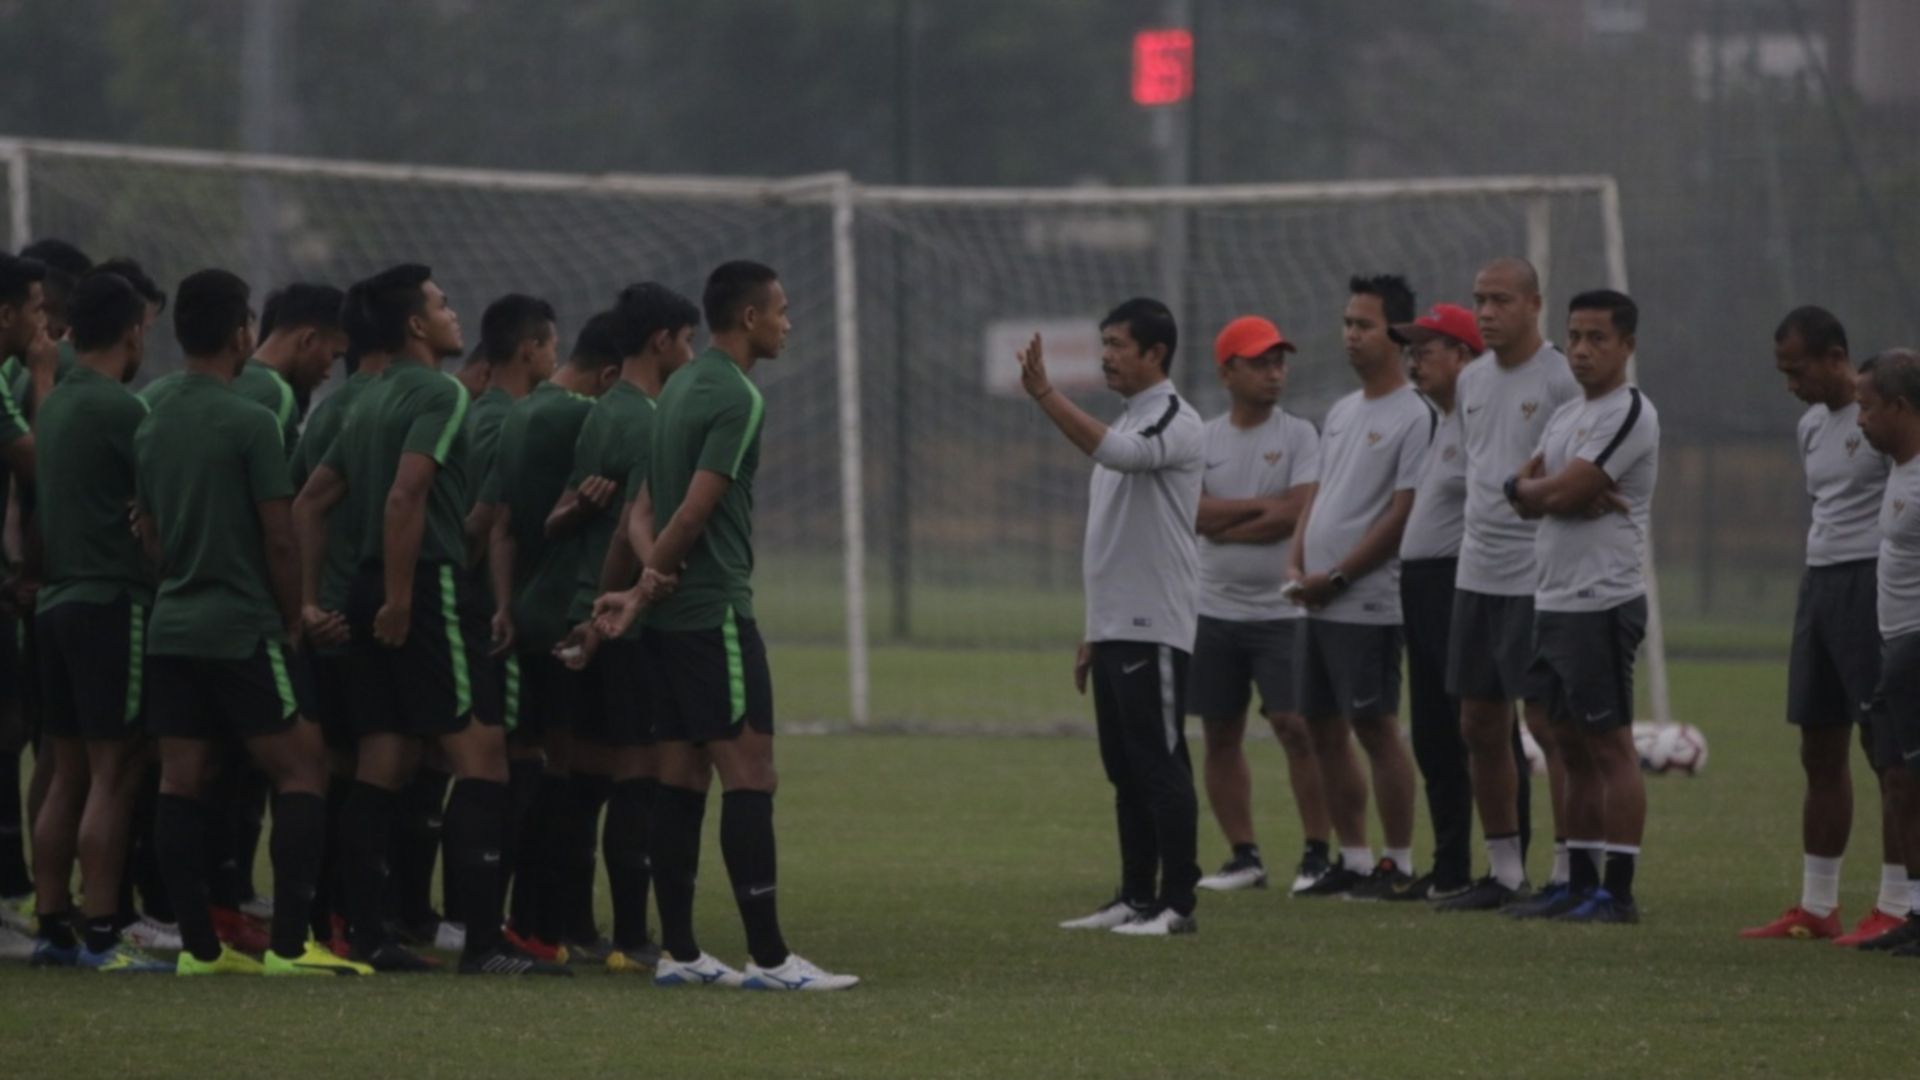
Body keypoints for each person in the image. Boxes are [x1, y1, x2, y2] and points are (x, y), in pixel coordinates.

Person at [293, 264, 565, 976]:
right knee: (483, 758)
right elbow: (404, 500)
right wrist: (401, 598)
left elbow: (310, 503)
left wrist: (314, 599)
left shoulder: (365, 397)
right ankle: (482, 943)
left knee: (385, 757)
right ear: (415, 325)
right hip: (425, 588)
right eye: (443, 305)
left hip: (361, 588)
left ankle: (371, 934)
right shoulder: (439, 393)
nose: (453, 315)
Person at [593, 260, 858, 988]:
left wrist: (644, 588)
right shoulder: (737, 397)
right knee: (751, 773)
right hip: (714, 614)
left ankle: (679, 954)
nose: (788, 323)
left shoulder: (674, 389)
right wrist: (648, 588)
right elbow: (692, 511)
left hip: (675, 625)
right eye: (781, 311)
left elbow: (640, 514)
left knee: (681, 777)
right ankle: (770, 960)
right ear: (749, 319)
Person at [134, 268, 370, 976]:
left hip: (171, 621)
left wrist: (179, 570)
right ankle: (290, 947)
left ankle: (200, 951)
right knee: (303, 769)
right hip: (240, 624)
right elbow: (279, 533)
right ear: (242, 332)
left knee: (181, 778)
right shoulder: (250, 418)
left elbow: (145, 528)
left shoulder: (152, 412)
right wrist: (293, 613)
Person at [1014, 297, 1204, 937]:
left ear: (1156, 353)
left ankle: (1178, 905)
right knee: (1125, 770)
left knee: (1162, 764)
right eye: (1105, 343)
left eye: (1119, 344)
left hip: (1156, 627)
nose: (1107, 355)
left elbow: (1120, 455)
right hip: (1117, 627)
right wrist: (1093, 630)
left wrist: (1045, 395)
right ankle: (1135, 895)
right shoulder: (1128, 420)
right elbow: (1109, 541)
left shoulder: (1175, 420)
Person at [1743, 308, 1909, 945]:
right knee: (1818, 746)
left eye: (1799, 369)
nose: (1791, 383)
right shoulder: (1811, 425)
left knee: (1887, 751)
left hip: (1872, 587)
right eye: (1783, 372)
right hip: (1819, 586)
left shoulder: (1883, 419)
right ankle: (1818, 904)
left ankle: (1896, 903)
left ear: (1837, 356)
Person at [550, 282, 701, 972]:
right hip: (623, 621)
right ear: (661, 341)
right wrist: (645, 586)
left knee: (586, 777)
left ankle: (576, 926)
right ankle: (632, 937)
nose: (691, 352)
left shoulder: (601, 411)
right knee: (639, 776)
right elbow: (634, 525)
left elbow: (566, 512)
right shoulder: (647, 418)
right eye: (686, 339)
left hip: (585, 605)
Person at [1504, 289, 1660, 924]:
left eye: (1598, 338)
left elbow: (1562, 488)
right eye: (1574, 337)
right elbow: (1522, 489)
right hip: (1553, 596)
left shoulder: (1629, 412)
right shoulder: (1567, 417)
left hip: (1600, 599)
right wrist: (1538, 489)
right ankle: (1576, 879)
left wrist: (1548, 489)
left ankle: (1617, 893)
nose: (1583, 350)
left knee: (1609, 745)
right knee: (1562, 741)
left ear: (1626, 345)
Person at [25, 271, 163, 971]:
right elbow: (157, 510)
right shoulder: (123, 410)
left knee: (66, 771)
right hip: (112, 602)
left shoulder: (53, 405)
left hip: (54, 604)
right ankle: (105, 932)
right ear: (135, 328)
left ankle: (53, 925)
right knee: (115, 772)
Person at [1435, 257, 1580, 913]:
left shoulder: (1560, 378)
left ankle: (1569, 872)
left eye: (1499, 300)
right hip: (1477, 570)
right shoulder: (1469, 379)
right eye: (1479, 300)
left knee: (1548, 726)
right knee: (1478, 722)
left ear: (1533, 304)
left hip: (1537, 573)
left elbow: (1579, 472)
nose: (1486, 312)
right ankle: (1503, 872)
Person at [1287, 275, 1429, 898]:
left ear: (1397, 334)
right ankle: (1355, 858)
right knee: (1321, 726)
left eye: (1363, 324)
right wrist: (1297, 564)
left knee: (1375, 726)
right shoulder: (1342, 411)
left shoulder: (1417, 413)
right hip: (1315, 600)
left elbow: (1403, 515)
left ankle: (1398, 861)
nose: (1350, 335)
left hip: (1367, 601)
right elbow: (1315, 499)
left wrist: (1339, 575)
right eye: (1347, 323)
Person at [485, 298, 615, 961]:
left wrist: (504, 605)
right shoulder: (593, 419)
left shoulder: (518, 412)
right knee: (572, 775)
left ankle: (523, 920)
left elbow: (501, 525)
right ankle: (551, 924)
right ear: (613, 373)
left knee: (530, 765)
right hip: (573, 614)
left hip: (527, 617)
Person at [1186, 316, 1330, 895]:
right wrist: (1254, 513)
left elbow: (1297, 512)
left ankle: (1318, 853)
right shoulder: (1202, 438)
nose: (1275, 372)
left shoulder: (1299, 436)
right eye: (1260, 362)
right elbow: (1193, 515)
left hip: (1282, 613)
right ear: (1227, 372)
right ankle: (1244, 856)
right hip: (1212, 610)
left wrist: (1228, 519)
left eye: (1279, 361)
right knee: (1221, 732)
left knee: (1297, 727)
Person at [1392, 303, 1481, 901]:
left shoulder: (1480, 421)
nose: (1413, 359)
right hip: (1420, 589)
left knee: (1476, 727)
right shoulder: (1439, 422)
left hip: (1458, 585)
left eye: (1427, 348)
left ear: (1465, 357)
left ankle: (1504, 862)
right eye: (1412, 348)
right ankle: (1449, 863)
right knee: (1430, 733)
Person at [1853, 348, 1920, 956]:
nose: (1860, 420)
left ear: (1901, 407)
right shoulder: (1895, 467)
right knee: (1898, 779)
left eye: (1868, 407)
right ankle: (1916, 914)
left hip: (1917, 649)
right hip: (1893, 647)